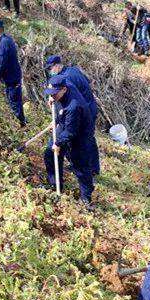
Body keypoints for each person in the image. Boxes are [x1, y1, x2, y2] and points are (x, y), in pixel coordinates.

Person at [43, 75, 97, 209]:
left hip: (81, 133)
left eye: (55, 94)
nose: (53, 96)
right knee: (50, 153)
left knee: (80, 166)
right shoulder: (64, 83)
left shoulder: (73, 106)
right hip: (67, 123)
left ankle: (86, 200)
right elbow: (58, 103)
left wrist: (58, 143)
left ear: (64, 90)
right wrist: (52, 100)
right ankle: (55, 185)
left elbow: (70, 132)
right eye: (51, 93)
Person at [45, 56, 100, 177]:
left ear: (58, 65)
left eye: (51, 68)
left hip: (85, 110)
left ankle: (89, 169)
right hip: (87, 107)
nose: (50, 71)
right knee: (88, 137)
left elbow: (69, 99)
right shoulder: (72, 70)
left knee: (83, 138)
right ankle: (92, 167)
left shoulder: (67, 78)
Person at [0, 19, 26, 127]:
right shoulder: (6, 40)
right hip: (12, 76)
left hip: (12, 77)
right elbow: (1, 55)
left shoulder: (4, 42)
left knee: (14, 101)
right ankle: (20, 122)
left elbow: (2, 62)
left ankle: (21, 124)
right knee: (13, 100)